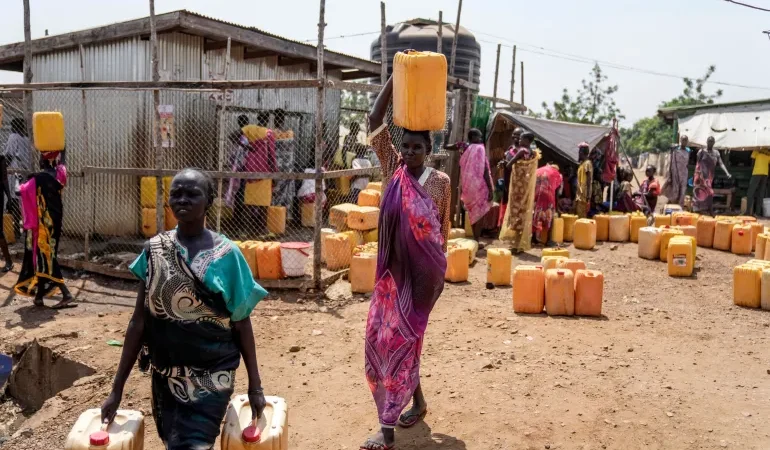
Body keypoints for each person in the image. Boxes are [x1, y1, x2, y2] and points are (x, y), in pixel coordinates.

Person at [101, 168, 269, 450]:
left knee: (193, 445)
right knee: (173, 443)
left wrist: (255, 387)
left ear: (209, 201)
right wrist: (116, 390)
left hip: (211, 378)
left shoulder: (228, 256)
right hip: (165, 377)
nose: (183, 200)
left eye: (192, 194)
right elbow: (139, 323)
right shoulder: (154, 251)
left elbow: (242, 323)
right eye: (176, 194)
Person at [361, 76, 450, 450]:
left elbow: (443, 227)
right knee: (388, 340)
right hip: (392, 276)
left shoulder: (440, 181)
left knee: (405, 340)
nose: (410, 152)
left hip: (424, 278)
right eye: (406, 146)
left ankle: (387, 429)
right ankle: (418, 403)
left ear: (429, 150)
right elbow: (373, 119)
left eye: (417, 147)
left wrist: (439, 276)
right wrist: (396, 78)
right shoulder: (392, 169)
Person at [14, 151, 73, 308]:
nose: (39, 160)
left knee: (47, 256)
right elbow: (63, 163)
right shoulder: (60, 175)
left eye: (41, 158)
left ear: (44, 161)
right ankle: (39, 296)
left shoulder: (38, 179)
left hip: (43, 225)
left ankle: (66, 294)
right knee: (45, 256)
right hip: (56, 221)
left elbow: (18, 191)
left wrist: (17, 180)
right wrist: (61, 150)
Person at [448, 128, 493, 242]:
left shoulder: (462, 146)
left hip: (467, 187)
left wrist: (448, 133)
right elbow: (485, 170)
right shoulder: (479, 149)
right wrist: (490, 189)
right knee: (480, 213)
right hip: (480, 186)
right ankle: (476, 239)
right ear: (472, 137)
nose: (480, 139)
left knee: (472, 212)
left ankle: (475, 239)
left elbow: (447, 146)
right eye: (479, 136)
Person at [499, 131, 539, 252]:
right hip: (525, 187)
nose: (519, 141)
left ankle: (516, 244)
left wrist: (504, 163)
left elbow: (509, 165)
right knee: (522, 212)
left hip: (518, 187)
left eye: (521, 139)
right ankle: (519, 242)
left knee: (515, 212)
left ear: (527, 141)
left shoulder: (521, 151)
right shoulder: (533, 153)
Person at [3, 118, 32, 227]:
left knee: (13, 197)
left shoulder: (13, 137)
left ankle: (14, 225)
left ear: (14, 127)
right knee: (21, 197)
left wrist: (3, 168)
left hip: (15, 171)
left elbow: (9, 155)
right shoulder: (27, 139)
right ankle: (22, 224)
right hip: (25, 171)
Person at [693, 136, 731, 216]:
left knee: (708, 193)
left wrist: (727, 172)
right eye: (709, 141)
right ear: (706, 142)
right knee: (702, 192)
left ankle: (706, 210)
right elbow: (698, 163)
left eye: (712, 141)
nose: (710, 143)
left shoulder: (716, 153)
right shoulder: (701, 151)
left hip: (709, 176)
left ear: (714, 143)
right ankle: (700, 210)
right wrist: (698, 175)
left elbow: (721, 163)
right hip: (701, 176)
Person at [498, 127, 523, 227]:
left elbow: (522, 166)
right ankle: (504, 225)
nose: (515, 136)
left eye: (518, 135)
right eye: (514, 134)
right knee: (506, 199)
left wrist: (507, 164)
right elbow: (506, 161)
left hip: (518, 183)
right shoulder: (510, 149)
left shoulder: (523, 151)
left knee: (516, 202)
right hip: (507, 179)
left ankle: (514, 226)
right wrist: (502, 163)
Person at [533, 163, 563, 246]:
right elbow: (557, 192)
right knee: (550, 216)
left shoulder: (539, 170)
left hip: (536, 195)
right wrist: (556, 208)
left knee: (535, 215)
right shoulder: (557, 174)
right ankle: (549, 240)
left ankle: (533, 238)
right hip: (548, 196)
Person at [662, 135, 691, 207]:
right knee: (675, 190)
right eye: (683, 140)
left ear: (687, 141)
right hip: (676, 173)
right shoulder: (676, 151)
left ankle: (680, 206)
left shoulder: (688, 151)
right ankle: (672, 204)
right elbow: (672, 163)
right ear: (680, 140)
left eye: (685, 140)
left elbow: (687, 163)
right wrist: (671, 174)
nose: (684, 142)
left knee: (683, 191)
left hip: (684, 174)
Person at [747, 149, 770, 216]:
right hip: (765, 173)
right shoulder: (768, 152)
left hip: (756, 172)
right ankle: (757, 213)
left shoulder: (757, 149)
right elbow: (768, 164)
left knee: (750, 192)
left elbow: (752, 160)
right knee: (761, 193)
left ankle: (748, 212)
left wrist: (752, 170)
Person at [575, 142, 593, 218]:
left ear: (582, 152)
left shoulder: (587, 163)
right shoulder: (581, 164)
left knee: (582, 218)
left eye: (580, 151)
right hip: (579, 195)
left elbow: (589, 181)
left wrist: (588, 197)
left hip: (584, 196)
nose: (578, 153)